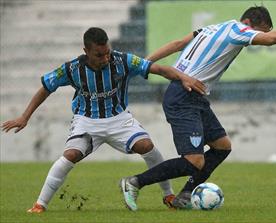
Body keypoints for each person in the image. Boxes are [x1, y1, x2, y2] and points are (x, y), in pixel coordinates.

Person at [119, 6, 276, 211]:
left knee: (222, 146)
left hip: (195, 95)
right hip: (183, 95)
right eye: (260, 31)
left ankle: (186, 194)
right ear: (249, 23)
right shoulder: (238, 29)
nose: (257, 38)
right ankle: (135, 182)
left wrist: (145, 62)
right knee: (194, 161)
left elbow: (177, 44)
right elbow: (270, 40)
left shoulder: (210, 29)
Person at [1, 27, 206, 213]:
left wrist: (183, 77)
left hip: (119, 119)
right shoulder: (72, 69)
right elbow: (46, 88)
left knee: (147, 145)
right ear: (86, 51)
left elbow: (159, 69)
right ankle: (40, 205)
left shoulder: (123, 60)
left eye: (107, 52)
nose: (105, 58)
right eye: (99, 55)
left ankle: (168, 195)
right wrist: (24, 117)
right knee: (70, 155)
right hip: (87, 121)